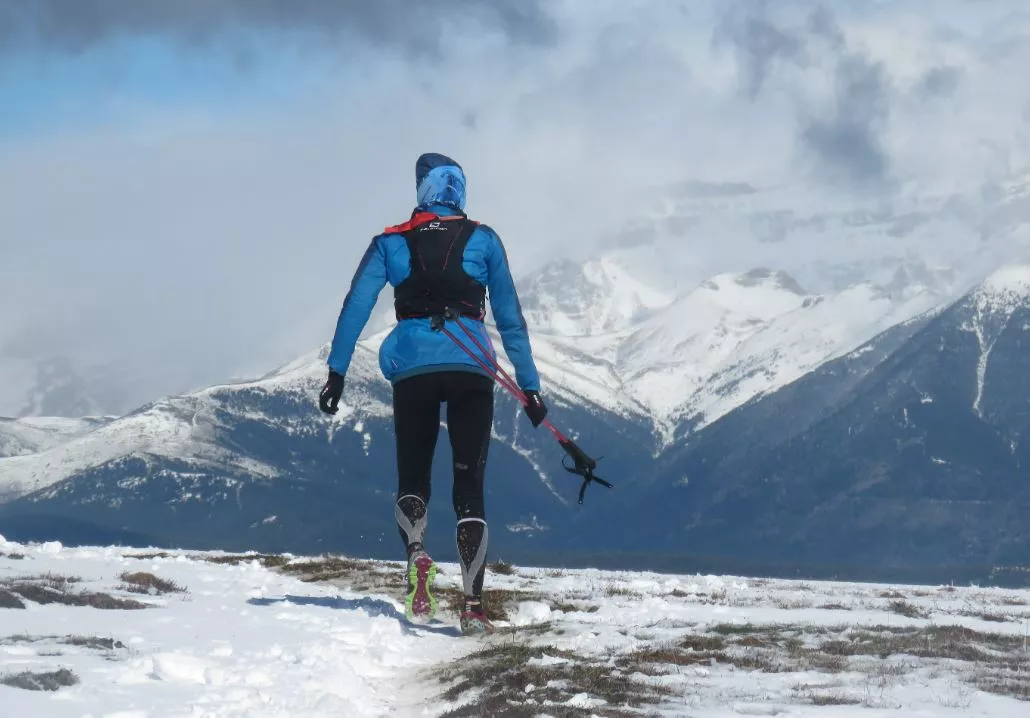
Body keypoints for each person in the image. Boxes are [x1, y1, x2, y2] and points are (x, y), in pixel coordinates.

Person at [318, 153, 547, 635]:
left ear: (421, 189)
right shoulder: (484, 239)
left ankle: (417, 554)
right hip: (471, 369)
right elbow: (510, 318)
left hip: (413, 369)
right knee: (469, 488)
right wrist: (529, 387)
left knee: (413, 478)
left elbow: (356, 305)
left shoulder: (390, 242)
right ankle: (472, 604)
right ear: (460, 191)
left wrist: (336, 372)